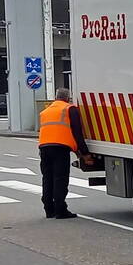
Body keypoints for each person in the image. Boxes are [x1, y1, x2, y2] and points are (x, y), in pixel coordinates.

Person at [38, 87, 92, 219]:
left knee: (47, 178)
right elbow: (77, 133)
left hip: (44, 148)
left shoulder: (46, 111)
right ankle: (60, 210)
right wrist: (85, 153)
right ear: (68, 98)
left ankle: (49, 209)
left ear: (56, 97)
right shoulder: (69, 109)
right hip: (60, 149)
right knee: (60, 179)